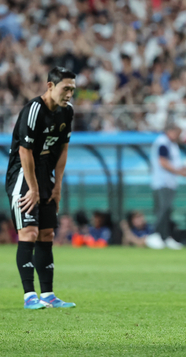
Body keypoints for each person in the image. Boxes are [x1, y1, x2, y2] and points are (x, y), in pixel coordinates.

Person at [5, 66, 76, 309]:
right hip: (23, 177)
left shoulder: (67, 113)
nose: (69, 94)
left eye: (73, 90)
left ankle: (48, 295)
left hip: (47, 177)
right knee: (29, 233)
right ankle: (29, 296)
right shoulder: (34, 110)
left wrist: (58, 186)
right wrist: (33, 188)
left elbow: (63, 150)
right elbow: (25, 151)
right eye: (66, 88)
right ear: (50, 86)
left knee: (47, 234)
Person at [148, 122, 186, 250]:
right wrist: (179, 171)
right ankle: (155, 234)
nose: (178, 136)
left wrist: (181, 169)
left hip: (169, 182)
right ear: (171, 131)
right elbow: (163, 162)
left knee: (167, 211)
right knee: (163, 209)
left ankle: (165, 237)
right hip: (162, 182)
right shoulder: (163, 142)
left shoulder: (171, 143)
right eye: (177, 133)